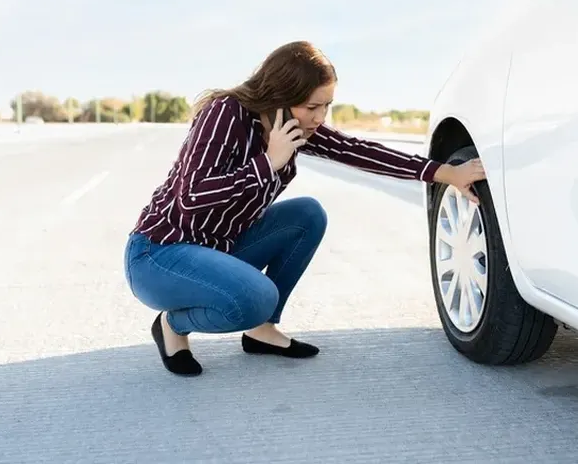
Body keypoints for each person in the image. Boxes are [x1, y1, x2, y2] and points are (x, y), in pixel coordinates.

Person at [124, 40, 486, 376]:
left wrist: (442, 172)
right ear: (280, 96)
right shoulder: (225, 115)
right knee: (256, 298)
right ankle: (173, 325)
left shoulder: (291, 125)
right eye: (312, 106)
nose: (319, 117)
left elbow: (356, 150)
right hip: (159, 255)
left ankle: (261, 330)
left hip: (219, 247)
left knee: (307, 215)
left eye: (326, 105)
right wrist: (267, 163)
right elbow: (192, 197)